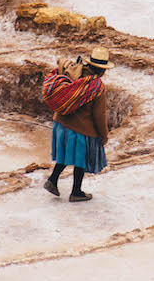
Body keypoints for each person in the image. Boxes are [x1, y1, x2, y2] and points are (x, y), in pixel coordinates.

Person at [44, 46, 114, 202]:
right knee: (80, 160)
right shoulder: (96, 87)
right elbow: (99, 116)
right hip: (80, 130)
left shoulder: (74, 72)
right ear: (101, 70)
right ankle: (76, 192)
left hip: (60, 124)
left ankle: (53, 180)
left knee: (63, 155)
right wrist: (103, 135)